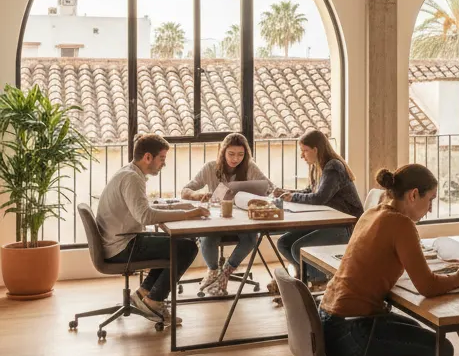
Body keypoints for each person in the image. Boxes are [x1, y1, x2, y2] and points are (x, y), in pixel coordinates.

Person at [319, 164, 459, 356]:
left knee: (412, 331)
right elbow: (428, 287)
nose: (431, 209)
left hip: (329, 322)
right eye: (430, 199)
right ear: (413, 195)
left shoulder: (372, 213)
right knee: (441, 349)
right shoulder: (402, 225)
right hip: (350, 333)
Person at [95, 134, 209, 324]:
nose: (163, 164)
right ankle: (154, 301)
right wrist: (188, 214)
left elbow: (146, 210)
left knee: (177, 243)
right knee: (187, 248)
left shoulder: (129, 173)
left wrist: (183, 208)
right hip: (122, 247)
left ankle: (144, 294)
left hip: (120, 240)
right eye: (162, 158)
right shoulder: (132, 179)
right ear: (148, 157)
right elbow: (146, 217)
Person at [181, 132, 267, 296]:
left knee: (251, 238)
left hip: (241, 221)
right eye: (231, 154)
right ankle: (213, 271)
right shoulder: (210, 168)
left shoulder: (250, 168)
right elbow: (186, 190)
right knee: (208, 236)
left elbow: (268, 187)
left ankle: (225, 273)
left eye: (241, 154)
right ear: (223, 151)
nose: (236, 159)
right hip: (216, 220)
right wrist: (196, 196)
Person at [273, 130, 363, 284]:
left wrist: (293, 197)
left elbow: (320, 198)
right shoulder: (318, 166)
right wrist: (288, 192)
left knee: (297, 249)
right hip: (327, 221)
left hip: (345, 226)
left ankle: (317, 282)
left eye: (305, 151)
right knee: (284, 243)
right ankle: (305, 280)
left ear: (316, 149)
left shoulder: (333, 167)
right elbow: (310, 191)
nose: (302, 156)